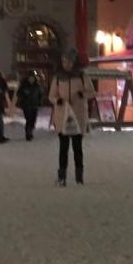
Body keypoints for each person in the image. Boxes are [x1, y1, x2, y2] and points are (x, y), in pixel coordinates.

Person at [49, 50, 94, 186]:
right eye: (64, 61)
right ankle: (62, 177)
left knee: (77, 149)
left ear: (73, 62)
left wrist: (82, 94)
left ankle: (79, 177)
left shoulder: (82, 76)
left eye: (68, 61)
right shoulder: (58, 77)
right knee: (63, 149)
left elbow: (91, 92)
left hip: (77, 116)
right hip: (62, 117)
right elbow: (51, 95)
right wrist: (58, 101)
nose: (66, 64)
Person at [16, 71, 44, 141]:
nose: (31, 79)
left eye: (32, 78)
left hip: (34, 104)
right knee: (28, 119)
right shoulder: (24, 85)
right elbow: (18, 93)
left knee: (33, 120)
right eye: (30, 77)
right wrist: (24, 93)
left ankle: (30, 131)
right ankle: (28, 133)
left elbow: (41, 94)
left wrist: (40, 102)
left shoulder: (37, 85)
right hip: (26, 105)